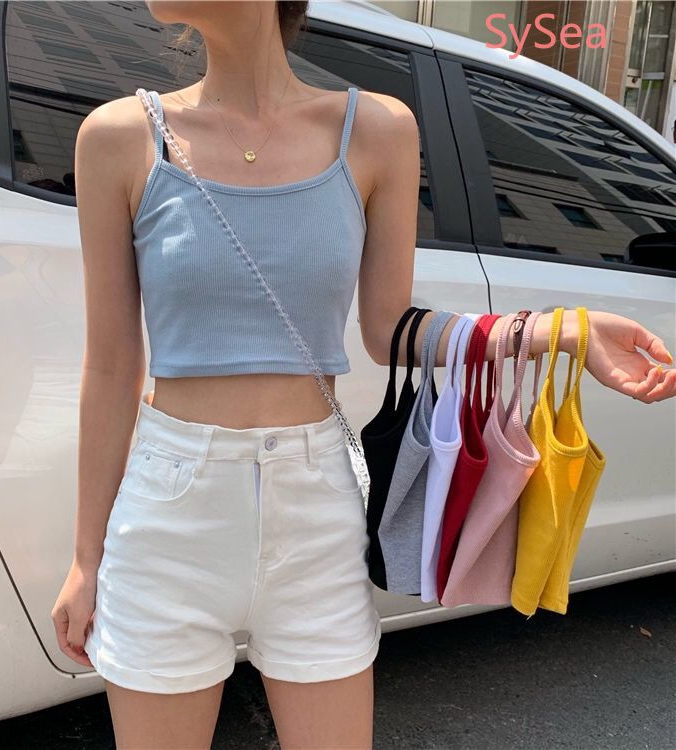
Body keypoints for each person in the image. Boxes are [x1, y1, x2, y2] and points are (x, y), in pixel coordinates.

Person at [50, 2, 676, 748]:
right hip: (169, 512)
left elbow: (390, 331)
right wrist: (86, 558)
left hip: (314, 509)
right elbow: (112, 364)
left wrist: (563, 331)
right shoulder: (119, 137)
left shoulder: (376, 130)